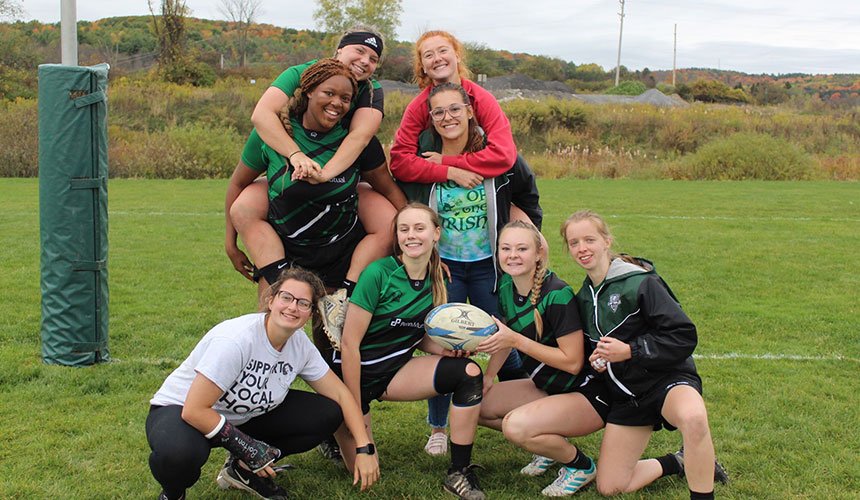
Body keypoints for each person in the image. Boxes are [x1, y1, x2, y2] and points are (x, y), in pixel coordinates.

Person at [394, 81, 545, 455]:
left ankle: (533, 410)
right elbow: (398, 182)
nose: (448, 118)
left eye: (454, 109)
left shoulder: (495, 156)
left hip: (486, 267)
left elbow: (527, 193)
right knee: (444, 347)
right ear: (430, 118)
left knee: (503, 340)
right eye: (439, 112)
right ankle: (438, 428)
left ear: (470, 110)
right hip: (445, 269)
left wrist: (526, 239)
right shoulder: (423, 159)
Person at [145, 268, 379, 500]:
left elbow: (340, 394)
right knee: (178, 454)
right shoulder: (235, 340)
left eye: (303, 303)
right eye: (286, 297)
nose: (292, 307)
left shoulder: (299, 345)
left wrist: (364, 446)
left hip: (242, 416)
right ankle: (173, 494)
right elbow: (195, 410)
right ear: (271, 300)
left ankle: (243, 471)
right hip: (184, 412)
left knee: (327, 413)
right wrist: (247, 447)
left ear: (310, 314)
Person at [225, 26, 398, 337]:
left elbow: (364, 141)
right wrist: (295, 155)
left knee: (331, 347)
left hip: (335, 243)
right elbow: (260, 115)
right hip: (287, 242)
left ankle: (343, 296)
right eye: (359, 51)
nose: (365, 61)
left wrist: (327, 173)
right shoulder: (293, 90)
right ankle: (282, 285)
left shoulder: (368, 95)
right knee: (270, 331)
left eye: (373, 58)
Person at [562, 210, 728, 499]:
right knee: (611, 486)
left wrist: (630, 351)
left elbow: (684, 336)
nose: (582, 248)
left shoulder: (641, 282)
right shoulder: (584, 297)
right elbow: (596, 350)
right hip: (628, 396)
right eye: (574, 242)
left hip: (666, 380)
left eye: (589, 239)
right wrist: (600, 362)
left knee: (694, 418)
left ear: (606, 242)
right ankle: (677, 461)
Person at [334, 203, 489, 500]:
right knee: (366, 471)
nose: (411, 236)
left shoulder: (436, 279)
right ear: (396, 235)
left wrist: (445, 350)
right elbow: (349, 345)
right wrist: (353, 404)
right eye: (404, 229)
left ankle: (459, 472)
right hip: (357, 376)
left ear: (436, 233)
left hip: (396, 372)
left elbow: (415, 335)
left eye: (420, 228)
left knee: (468, 373)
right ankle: (336, 425)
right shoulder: (378, 274)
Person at [472, 221, 606, 496]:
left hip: (586, 394)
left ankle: (580, 466)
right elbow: (504, 339)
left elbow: (572, 362)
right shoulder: (508, 285)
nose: (512, 255)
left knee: (515, 427)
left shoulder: (557, 294)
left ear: (538, 254)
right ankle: (548, 446)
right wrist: (487, 378)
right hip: (547, 387)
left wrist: (518, 341)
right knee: (475, 404)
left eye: (522, 248)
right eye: (505, 248)